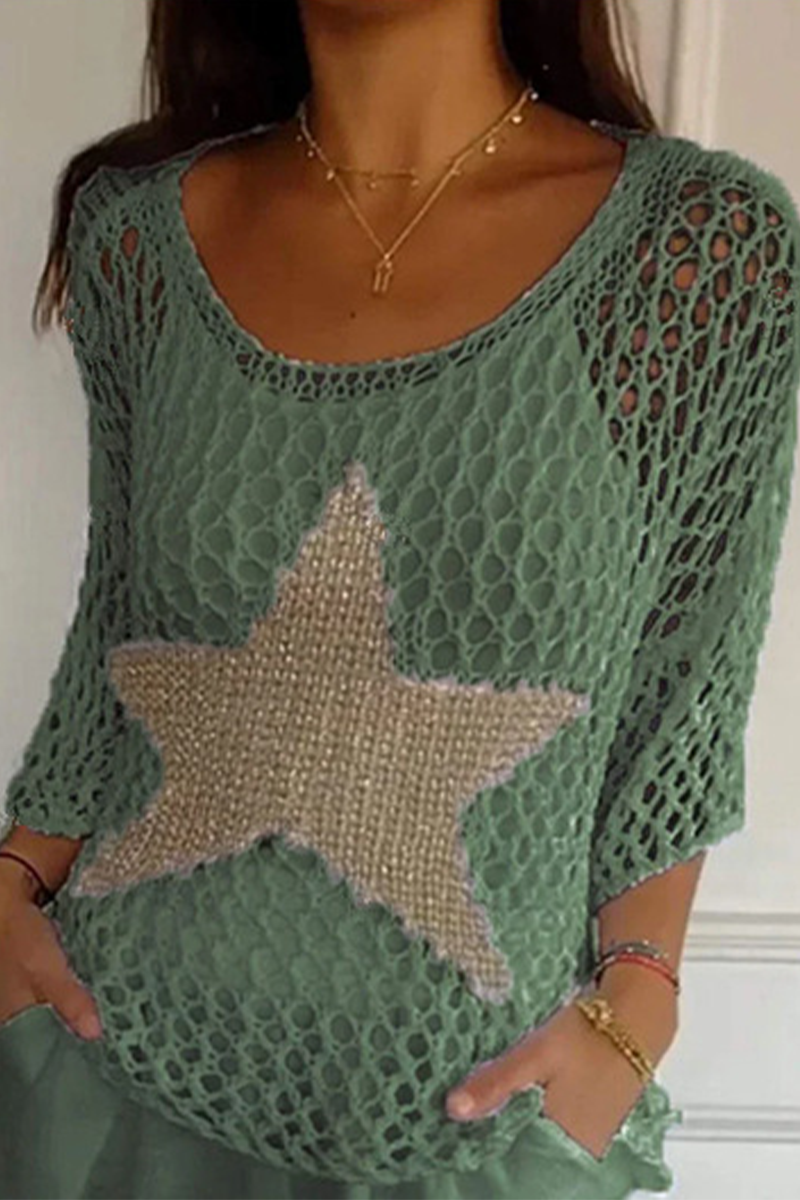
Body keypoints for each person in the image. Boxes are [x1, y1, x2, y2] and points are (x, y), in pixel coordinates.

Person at [1, 1, 798, 1197]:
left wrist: (637, 1001)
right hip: (112, 1079)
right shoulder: (138, 237)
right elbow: (121, 628)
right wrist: (13, 885)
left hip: (476, 1126)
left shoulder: (696, 247)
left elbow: (680, 692)